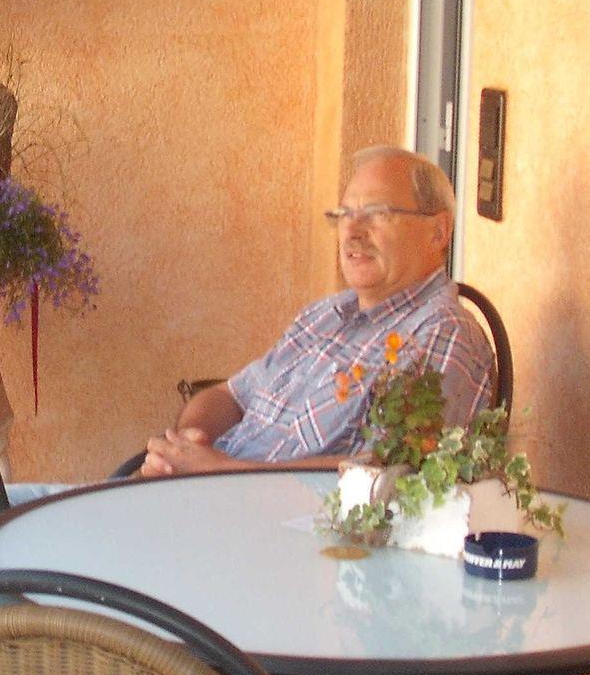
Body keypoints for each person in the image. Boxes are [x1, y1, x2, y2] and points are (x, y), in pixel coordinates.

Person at [137, 146, 495, 478]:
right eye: (344, 215)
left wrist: (226, 472)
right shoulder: (325, 314)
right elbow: (230, 396)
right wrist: (187, 444)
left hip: (268, 514)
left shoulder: (443, 333)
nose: (352, 232)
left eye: (377, 214)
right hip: (203, 490)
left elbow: (391, 474)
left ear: (438, 231)